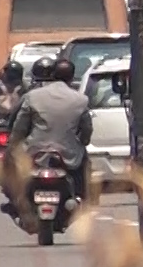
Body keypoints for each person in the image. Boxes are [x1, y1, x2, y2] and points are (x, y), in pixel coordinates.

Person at [9, 57, 92, 205]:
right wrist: (83, 141)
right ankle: (80, 196)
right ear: (72, 77)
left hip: (33, 153)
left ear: (52, 74)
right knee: (84, 162)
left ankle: (16, 198)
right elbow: (86, 131)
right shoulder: (81, 99)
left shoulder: (32, 96)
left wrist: (14, 145)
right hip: (69, 155)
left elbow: (19, 128)